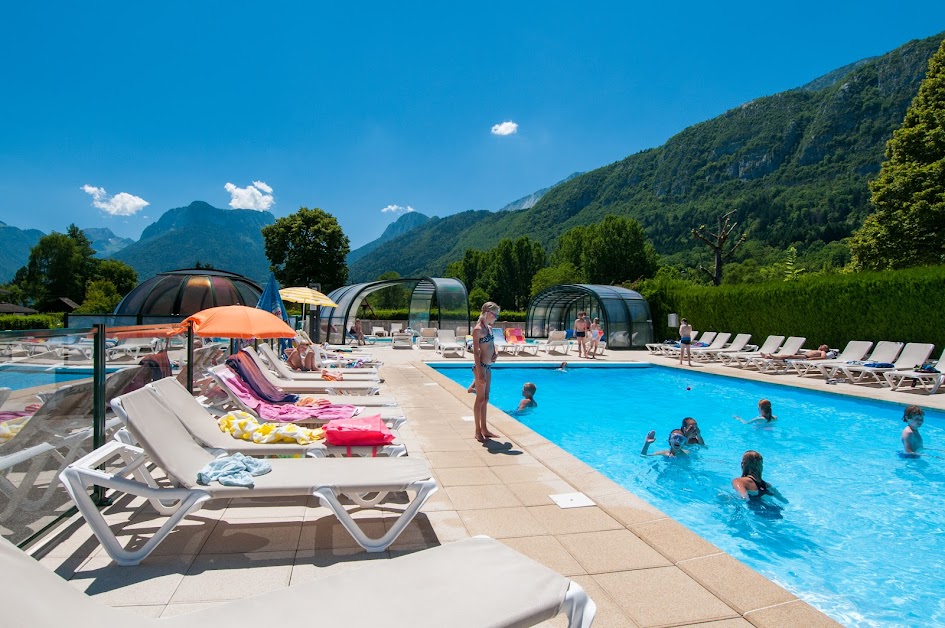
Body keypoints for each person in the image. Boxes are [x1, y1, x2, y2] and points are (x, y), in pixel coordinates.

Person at [472, 301, 501, 442]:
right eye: (496, 315)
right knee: (480, 399)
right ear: (489, 313)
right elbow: (476, 352)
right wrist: (479, 372)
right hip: (481, 367)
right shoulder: (478, 330)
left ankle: (485, 428)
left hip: (489, 367)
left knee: (486, 398)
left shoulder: (488, 328)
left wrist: (495, 352)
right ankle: (477, 430)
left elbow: (492, 345)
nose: (496, 317)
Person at [761, 344, 835, 360]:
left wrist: (813, 359)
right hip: (802, 355)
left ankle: (774, 357)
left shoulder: (822, 352)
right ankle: (768, 357)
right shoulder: (816, 350)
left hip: (805, 357)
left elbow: (823, 357)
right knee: (786, 355)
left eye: (823, 345)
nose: (820, 345)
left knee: (789, 356)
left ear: (825, 349)